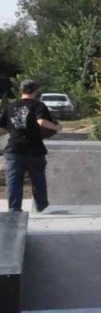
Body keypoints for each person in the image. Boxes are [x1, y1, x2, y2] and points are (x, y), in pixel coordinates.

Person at [4, 79, 61, 214]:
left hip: (14, 149)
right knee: (38, 179)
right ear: (35, 91)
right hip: (35, 150)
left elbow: (3, 127)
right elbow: (41, 121)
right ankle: (41, 205)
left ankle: (14, 209)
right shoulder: (38, 105)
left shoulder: (10, 106)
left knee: (14, 180)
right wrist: (57, 127)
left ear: (20, 91)